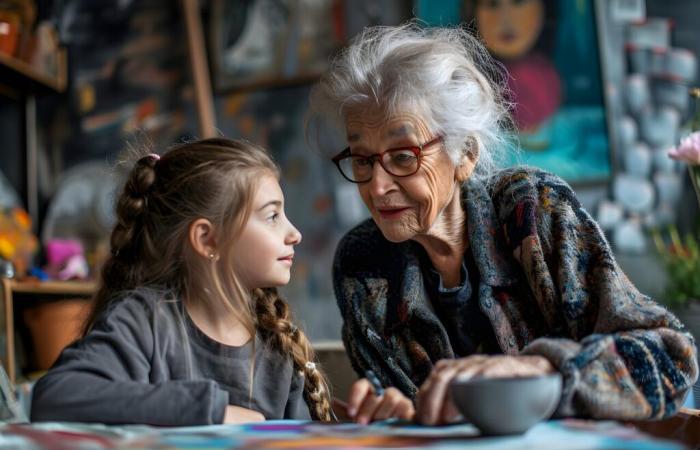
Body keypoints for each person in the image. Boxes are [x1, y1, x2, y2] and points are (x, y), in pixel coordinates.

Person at [307, 22, 698, 426]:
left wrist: (542, 370)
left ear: (465, 155)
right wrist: (400, 413)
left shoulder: (531, 211)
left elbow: (670, 357)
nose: (377, 185)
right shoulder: (364, 263)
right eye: (362, 159)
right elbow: (409, 407)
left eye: (403, 156)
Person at [31, 138, 333, 425]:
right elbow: (55, 396)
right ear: (207, 239)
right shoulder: (144, 320)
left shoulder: (276, 341)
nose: (294, 233)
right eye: (272, 216)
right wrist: (209, 411)